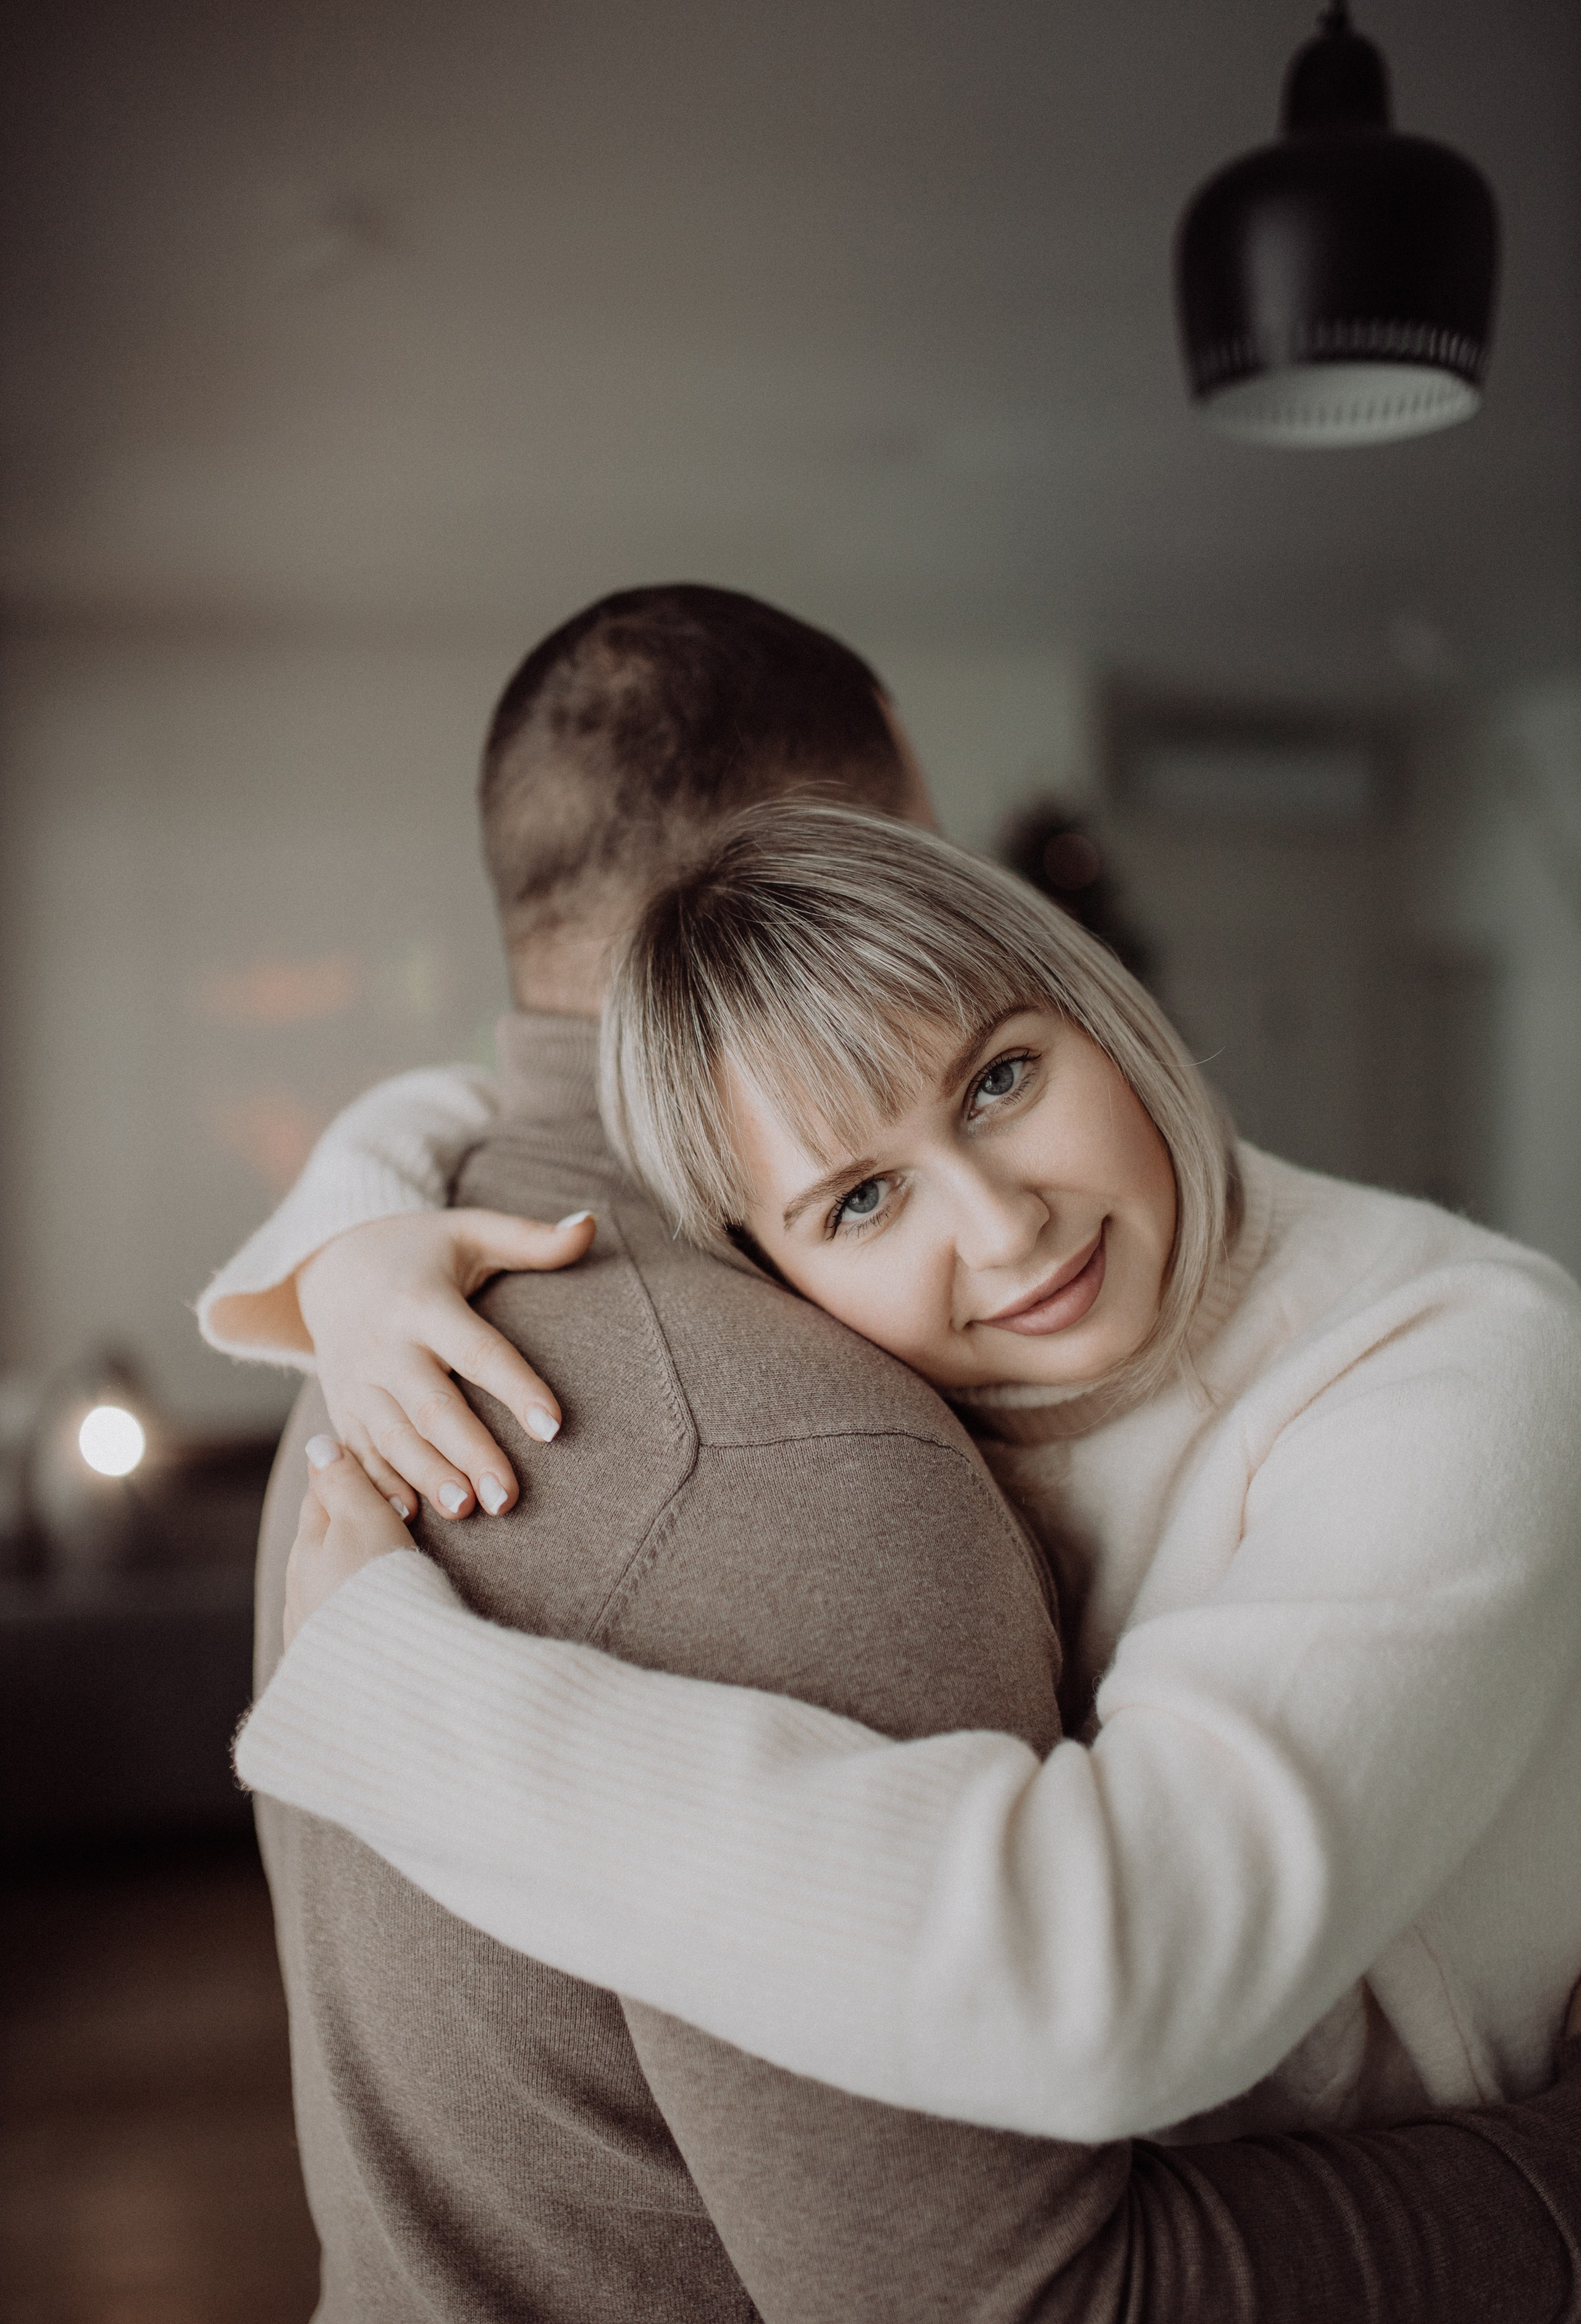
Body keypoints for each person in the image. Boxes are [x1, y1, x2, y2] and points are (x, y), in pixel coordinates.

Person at [214, 588, 1581, 2319]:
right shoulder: (642, 1364)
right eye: (863, 1198)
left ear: (1074, 984)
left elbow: (1119, 1973)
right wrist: (348, 1226)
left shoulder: (1456, 1358)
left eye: (1004, 1077)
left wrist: (410, 1701)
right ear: (758, 1243)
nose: (1005, 1229)